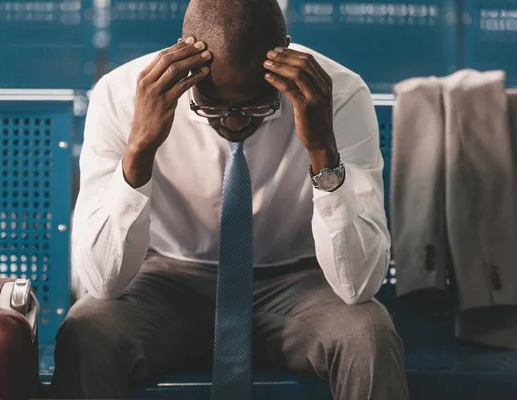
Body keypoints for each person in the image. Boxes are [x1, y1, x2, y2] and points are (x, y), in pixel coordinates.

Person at [51, 0, 409, 399]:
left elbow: (358, 285)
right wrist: (139, 149)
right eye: (213, 107)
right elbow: (101, 281)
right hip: (168, 281)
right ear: (187, 62)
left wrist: (322, 149)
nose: (236, 121)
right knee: (87, 332)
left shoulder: (338, 94)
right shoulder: (120, 96)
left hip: (300, 283)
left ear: (283, 57)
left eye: (258, 105)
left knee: (367, 335)